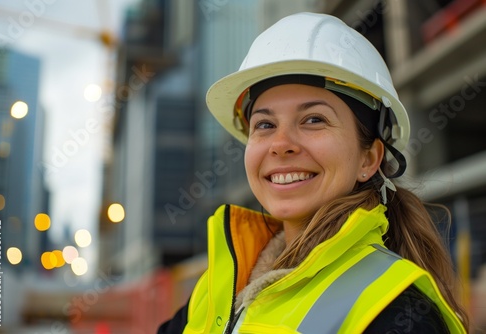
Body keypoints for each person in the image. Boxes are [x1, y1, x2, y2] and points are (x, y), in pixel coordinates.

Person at [158, 12, 469, 333]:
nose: (280, 144)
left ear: (369, 158)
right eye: (265, 124)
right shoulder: (218, 287)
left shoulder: (399, 314)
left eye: (313, 120)